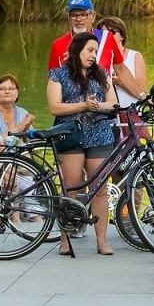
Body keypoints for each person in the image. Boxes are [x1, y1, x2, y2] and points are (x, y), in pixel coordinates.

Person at [46, 32, 119, 256]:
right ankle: (65, 240)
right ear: (77, 50)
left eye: (95, 51)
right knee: (71, 187)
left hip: (98, 134)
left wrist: (97, 107)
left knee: (99, 189)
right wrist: (83, 105)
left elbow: (113, 103)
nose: (93, 55)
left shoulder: (101, 74)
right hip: (70, 135)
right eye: (89, 50)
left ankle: (101, 241)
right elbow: (55, 107)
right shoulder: (58, 75)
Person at [48, 0, 124, 73]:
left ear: (93, 16)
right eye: (73, 15)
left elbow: (121, 70)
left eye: (83, 15)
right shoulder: (58, 45)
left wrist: (137, 86)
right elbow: (52, 79)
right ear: (68, 18)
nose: (78, 19)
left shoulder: (106, 38)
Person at [97, 16, 147, 110]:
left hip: (133, 111)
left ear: (122, 36)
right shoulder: (97, 58)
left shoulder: (135, 56)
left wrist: (120, 82)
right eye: (103, 33)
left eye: (112, 32)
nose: (108, 36)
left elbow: (142, 91)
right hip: (108, 114)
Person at [0, 75, 36, 146]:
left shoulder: (22, 113)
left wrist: (26, 130)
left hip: (19, 156)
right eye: (2, 89)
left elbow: (31, 144)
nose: (7, 92)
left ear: (17, 93)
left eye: (11, 89)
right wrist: (18, 128)